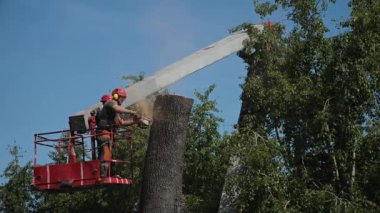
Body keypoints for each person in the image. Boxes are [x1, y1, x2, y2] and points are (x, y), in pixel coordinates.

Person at [96, 87, 140, 176]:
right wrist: (132, 112)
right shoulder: (111, 102)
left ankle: (110, 173)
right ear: (116, 96)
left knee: (111, 155)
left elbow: (121, 122)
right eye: (122, 97)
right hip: (104, 133)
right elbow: (117, 109)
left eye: (124, 98)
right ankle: (103, 174)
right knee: (105, 153)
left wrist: (135, 121)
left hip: (110, 134)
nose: (123, 100)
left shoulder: (115, 110)